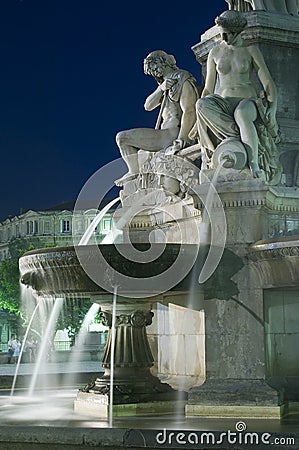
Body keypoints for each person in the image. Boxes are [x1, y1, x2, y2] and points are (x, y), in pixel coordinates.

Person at [194, 10, 279, 180]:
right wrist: (201, 116)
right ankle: (241, 137)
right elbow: (208, 88)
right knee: (201, 104)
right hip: (223, 103)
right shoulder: (215, 52)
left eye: (228, 34)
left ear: (238, 31)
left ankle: (254, 163)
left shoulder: (250, 50)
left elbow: (268, 82)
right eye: (221, 34)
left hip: (247, 101)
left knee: (241, 114)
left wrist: (273, 109)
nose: (224, 38)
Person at [115, 50, 199, 187]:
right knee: (123, 139)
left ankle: (134, 172)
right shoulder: (165, 84)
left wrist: (183, 138)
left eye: (153, 69)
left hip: (172, 133)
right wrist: (161, 88)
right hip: (163, 133)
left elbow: (189, 110)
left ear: (162, 64)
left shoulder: (182, 78)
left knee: (122, 138)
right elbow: (148, 105)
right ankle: (134, 173)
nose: (153, 74)